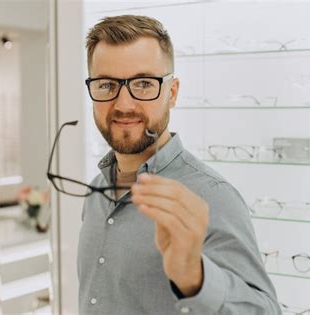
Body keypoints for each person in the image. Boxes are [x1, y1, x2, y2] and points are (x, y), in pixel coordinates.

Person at [76, 15, 281, 314]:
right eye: (106, 85)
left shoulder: (212, 196)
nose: (123, 104)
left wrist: (194, 277)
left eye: (144, 84)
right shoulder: (96, 190)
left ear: (172, 93)